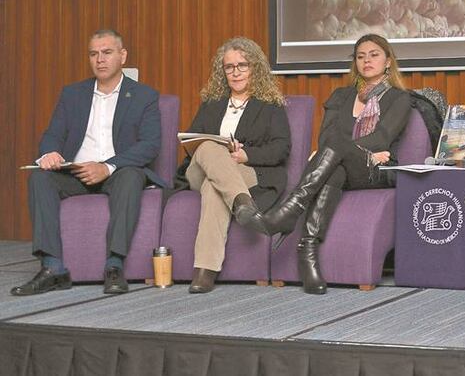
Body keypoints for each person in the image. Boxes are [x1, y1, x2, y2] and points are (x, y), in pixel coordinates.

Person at [242, 33, 412, 294]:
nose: (366, 60)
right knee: (335, 168)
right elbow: (325, 139)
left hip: (377, 170)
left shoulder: (399, 98)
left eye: (374, 55)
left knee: (337, 146)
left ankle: (289, 212)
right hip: (342, 166)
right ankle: (307, 249)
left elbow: (382, 138)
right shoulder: (341, 96)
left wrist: (350, 150)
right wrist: (348, 151)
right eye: (360, 56)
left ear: (388, 61)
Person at [12, 29, 163, 296]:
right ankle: (53, 268)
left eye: (107, 52)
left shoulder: (144, 95)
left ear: (122, 56)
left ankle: (114, 265)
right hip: (77, 172)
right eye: (94, 54)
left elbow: (150, 144)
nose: (100, 59)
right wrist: (49, 153)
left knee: (132, 176)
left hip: (117, 171)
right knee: (39, 177)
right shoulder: (72, 94)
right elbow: (52, 134)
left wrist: (106, 166)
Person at [175, 37, 290, 294]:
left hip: (245, 170)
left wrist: (246, 155)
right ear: (222, 71)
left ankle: (205, 270)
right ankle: (242, 203)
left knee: (213, 187)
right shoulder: (212, 103)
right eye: (229, 67)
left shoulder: (270, 106)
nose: (235, 72)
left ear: (254, 68)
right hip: (201, 169)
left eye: (242, 65)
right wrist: (215, 149)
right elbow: (193, 140)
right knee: (208, 147)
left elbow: (281, 148)